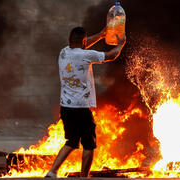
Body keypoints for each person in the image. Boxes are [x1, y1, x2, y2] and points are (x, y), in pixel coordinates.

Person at [45, 26, 126, 178]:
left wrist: (101, 35)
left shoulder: (64, 52)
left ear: (70, 41)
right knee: (89, 144)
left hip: (66, 107)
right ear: (83, 41)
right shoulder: (86, 55)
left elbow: (82, 44)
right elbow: (111, 55)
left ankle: (52, 172)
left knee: (71, 142)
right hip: (81, 108)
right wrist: (121, 44)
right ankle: (83, 177)